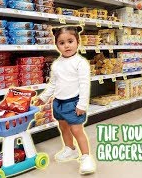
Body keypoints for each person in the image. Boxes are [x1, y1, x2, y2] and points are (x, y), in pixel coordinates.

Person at [34, 25, 96, 174]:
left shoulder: (80, 63)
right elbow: (53, 84)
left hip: (73, 102)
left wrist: (82, 104)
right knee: (63, 127)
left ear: (78, 42)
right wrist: (43, 97)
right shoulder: (56, 64)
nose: (66, 45)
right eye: (62, 43)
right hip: (58, 102)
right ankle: (70, 149)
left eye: (70, 41)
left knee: (77, 130)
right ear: (57, 46)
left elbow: (84, 85)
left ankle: (86, 157)